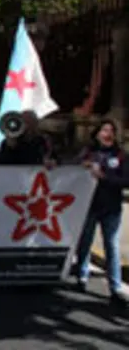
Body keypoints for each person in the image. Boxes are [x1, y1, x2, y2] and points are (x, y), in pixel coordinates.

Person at [74, 119, 128, 308]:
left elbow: (125, 180)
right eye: (104, 130)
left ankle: (115, 287)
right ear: (97, 134)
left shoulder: (120, 155)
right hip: (89, 205)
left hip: (111, 208)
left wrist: (104, 176)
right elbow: (72, 170)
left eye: (111, 130)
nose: (107, 134)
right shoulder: (88, 153)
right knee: (85, 242)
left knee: (111, 246)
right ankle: (82, 275)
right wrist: (82, 166)